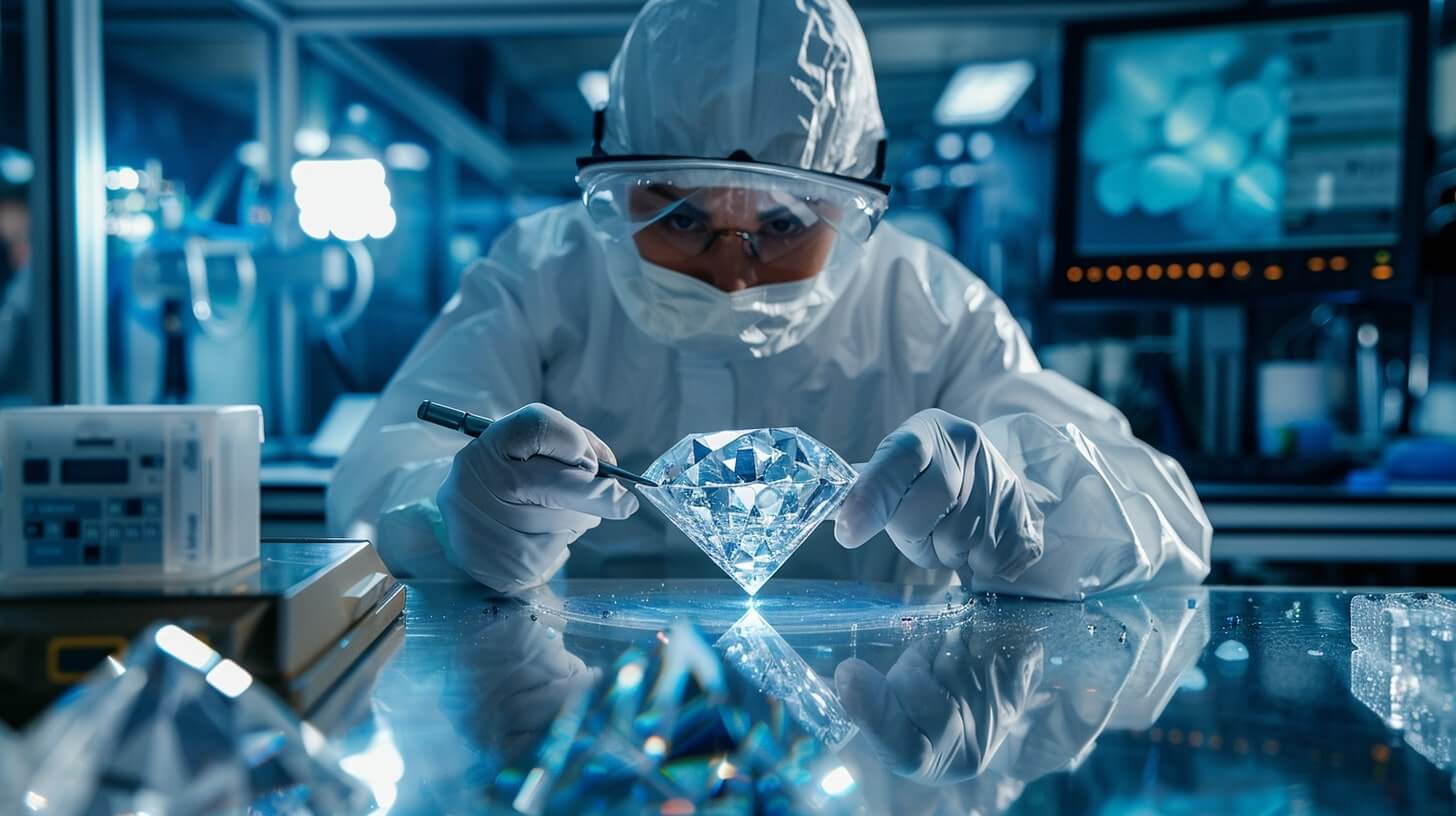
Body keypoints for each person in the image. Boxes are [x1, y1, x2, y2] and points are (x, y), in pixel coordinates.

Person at [328, 0, 1211, 601]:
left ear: (857, 211)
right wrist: (448, 516)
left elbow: (1168, 524)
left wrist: (1035, 504)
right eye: (679, 214)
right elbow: (379, 473)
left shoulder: (937, 309)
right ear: (615, 187)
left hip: (868, 736)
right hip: (581, 731)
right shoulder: (539, 275)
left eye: (785, 225)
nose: (732, 271)